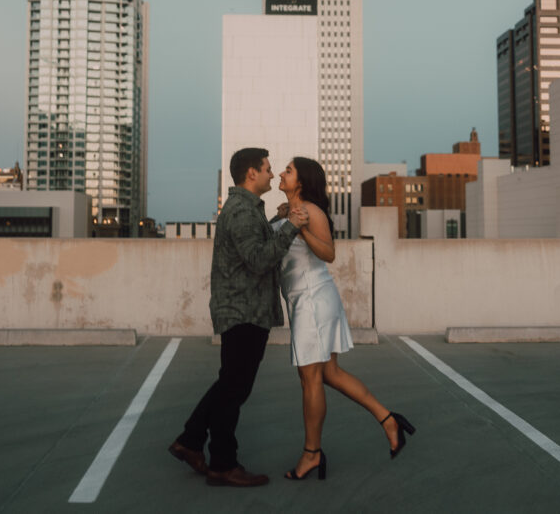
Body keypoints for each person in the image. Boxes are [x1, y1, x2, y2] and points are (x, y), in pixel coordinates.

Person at [168, 147, 309, 487]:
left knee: (230, 385)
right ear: (251, 174)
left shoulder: (246, 209)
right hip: (244, 311)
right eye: (267, 169)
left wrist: (276, 221)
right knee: (234, 389)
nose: (272, 175)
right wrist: (290, 226)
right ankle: (222, 463)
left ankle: (190, 442)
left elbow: (253, 245)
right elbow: (259, 260)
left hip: (246, 309)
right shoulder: (242, 212)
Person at [274, 157, 415, 481]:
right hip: (304, 301)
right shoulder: (291, 211)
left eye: (289, 170)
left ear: (302, 181)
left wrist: (299, 228)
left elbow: (329, 253)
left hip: (313, 300)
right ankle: (389, 420)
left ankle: (312, 454)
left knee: (311, 379)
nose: (282, 173)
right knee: (330, 374)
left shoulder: (310, 211)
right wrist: (287, 219)